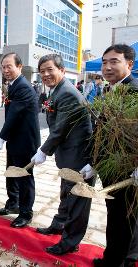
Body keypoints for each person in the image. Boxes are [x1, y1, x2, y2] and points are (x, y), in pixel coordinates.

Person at [32, 54, 95, 255]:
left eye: (50, 69)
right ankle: (59, 225)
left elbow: (60, 129)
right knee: (66, 194)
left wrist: (43, 151)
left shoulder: (67, 92)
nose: (46, 74)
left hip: (79, 157)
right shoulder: (56, 91)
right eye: (42, 71)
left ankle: (70, 242)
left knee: (77, 201)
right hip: (68, 155)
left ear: (62, 70)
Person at [93, 44, 138, 267]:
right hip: (111, 168)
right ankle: (111, 258)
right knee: (115, 217)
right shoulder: (109, 89)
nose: (107, 67)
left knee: (124, 221)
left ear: (129, 64)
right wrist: (94, 162)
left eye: (114, 62)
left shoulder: (135, 91)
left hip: (129, 170)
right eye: (104, 62)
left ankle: (117, 262)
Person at [0, 52, 40, 228]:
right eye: (3, 67)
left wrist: (0, 138)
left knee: (24, 177)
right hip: (15, 139)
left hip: (26, 141)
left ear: (19, 67)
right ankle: (13, 203)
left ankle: (26, 213)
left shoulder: (23, 87)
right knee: (11, 173)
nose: (5, 70)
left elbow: (13, 115)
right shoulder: (12, 85)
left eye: (9, 66)